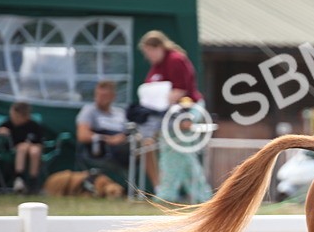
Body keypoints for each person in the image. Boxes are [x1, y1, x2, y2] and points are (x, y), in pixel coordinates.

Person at [136, 31, 202, 189]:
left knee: (174, 154)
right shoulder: (156, 66)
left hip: (186, 111)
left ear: (158, 47)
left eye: (150, 51)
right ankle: (198, 195)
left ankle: (167, 195)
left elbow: (180, 91)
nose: (149, 56)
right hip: (165, 116)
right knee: (177, 154)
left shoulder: (175, 59)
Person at [155, 97, 214, 204]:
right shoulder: (165, 103)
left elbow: (194, 117)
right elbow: (161, 120)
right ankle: (166, 198)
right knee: (169, 173)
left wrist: (189, 121)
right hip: (170, 145)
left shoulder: (195, 102)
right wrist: (178, 123)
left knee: (194, 172)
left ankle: (202, 198)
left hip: (186, 147)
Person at [0, 101, 44, 193]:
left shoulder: (34, 125)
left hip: (33, 150)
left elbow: (40, 144)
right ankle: (19, 179)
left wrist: (29, 146)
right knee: (22, 148)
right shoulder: (8, 124)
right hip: (14, 152)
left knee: (35, 151)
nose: (13, 117)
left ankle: (33, 182)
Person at [76, 80, 131, 174]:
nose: (100, 99)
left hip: (126, 147)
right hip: (103, 152)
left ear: (113, 97)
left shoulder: (120, 112)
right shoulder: (89, 110)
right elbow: (82, 135)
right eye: (98, 95)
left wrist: (123, 138)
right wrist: (110, 139)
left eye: (104, 96)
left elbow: (128, 131)